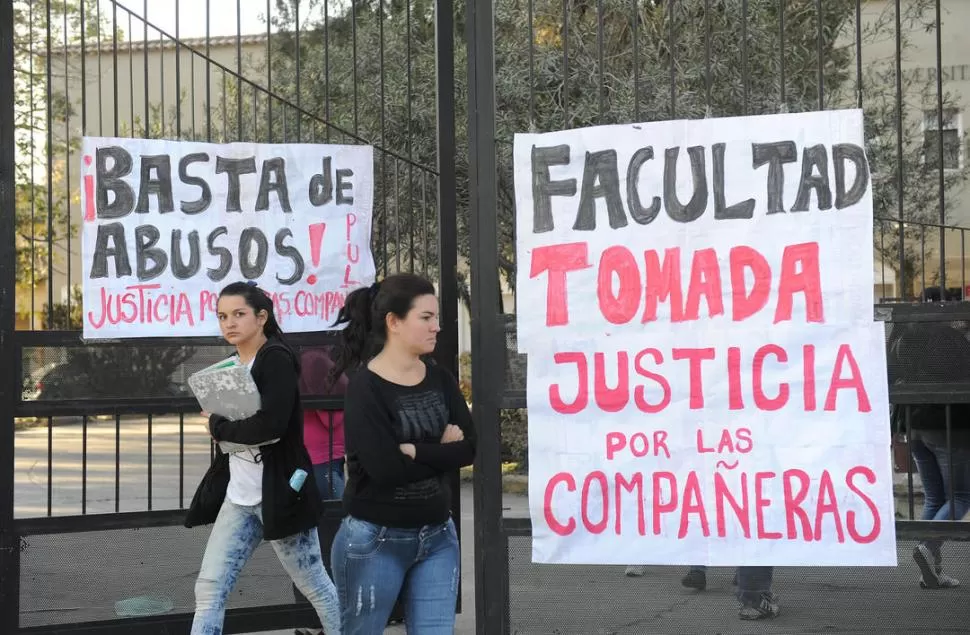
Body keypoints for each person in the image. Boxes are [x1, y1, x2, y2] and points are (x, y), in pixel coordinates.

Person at [185, 281, 341, 635]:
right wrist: (221, 424)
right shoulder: (227, 366)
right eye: (222, 316)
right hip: (238, 497)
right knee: (209, 588)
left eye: (239, 314)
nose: (230, 323)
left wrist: (218, 427)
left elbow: (271, 426)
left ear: (261, 317)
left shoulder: (276, 358)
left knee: (314, 584)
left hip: (279, 493)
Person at [328, 273, 477, 634]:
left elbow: (470, 448)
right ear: (393, 322)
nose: (436, 327)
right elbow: (385, 471)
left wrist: (414, 451)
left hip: (439, 536)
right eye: (425, 318)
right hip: (374, 541)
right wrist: (441, 449)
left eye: (436, 318)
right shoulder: (366, 386)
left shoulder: (439, 377)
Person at [300, 346, 347, 500]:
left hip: (327, 460)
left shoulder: (314, 360)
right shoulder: (315, 361)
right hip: (320, 460)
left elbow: (332, 420)